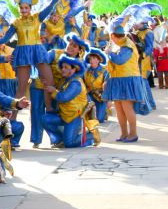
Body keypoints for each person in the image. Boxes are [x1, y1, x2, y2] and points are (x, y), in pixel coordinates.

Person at [103, 14, 152, 142]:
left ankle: (133, 134)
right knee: (119, 108)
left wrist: (110, 53)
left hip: (128, 79)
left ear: (113, 36)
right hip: (118, 79)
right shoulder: (119, 43)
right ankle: (124, 133)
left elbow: (120, 60)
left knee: (127, 107)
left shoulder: (128, 45)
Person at [42, 54, 99, 148]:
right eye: (62, 67)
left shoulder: (76, 83)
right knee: (45, 119)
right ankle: (59, 140)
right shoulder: (66, 80)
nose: (62, 69)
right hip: (64, 115)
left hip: (75, 116)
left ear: (74, 69)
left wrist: (53, 91)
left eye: (66, 67)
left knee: (70, 143)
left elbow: (64, 97)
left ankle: (92, 136)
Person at [84, 48, 110, 123]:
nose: (91, 60)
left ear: (99, 60)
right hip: (89, 96)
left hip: (100, 96)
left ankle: (104, 111)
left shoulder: (105, 71)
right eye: (90, 59)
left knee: (99, 119)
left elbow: (108, 86)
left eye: (94, 58)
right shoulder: (86, 71)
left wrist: (109, 100)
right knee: (90, 119)